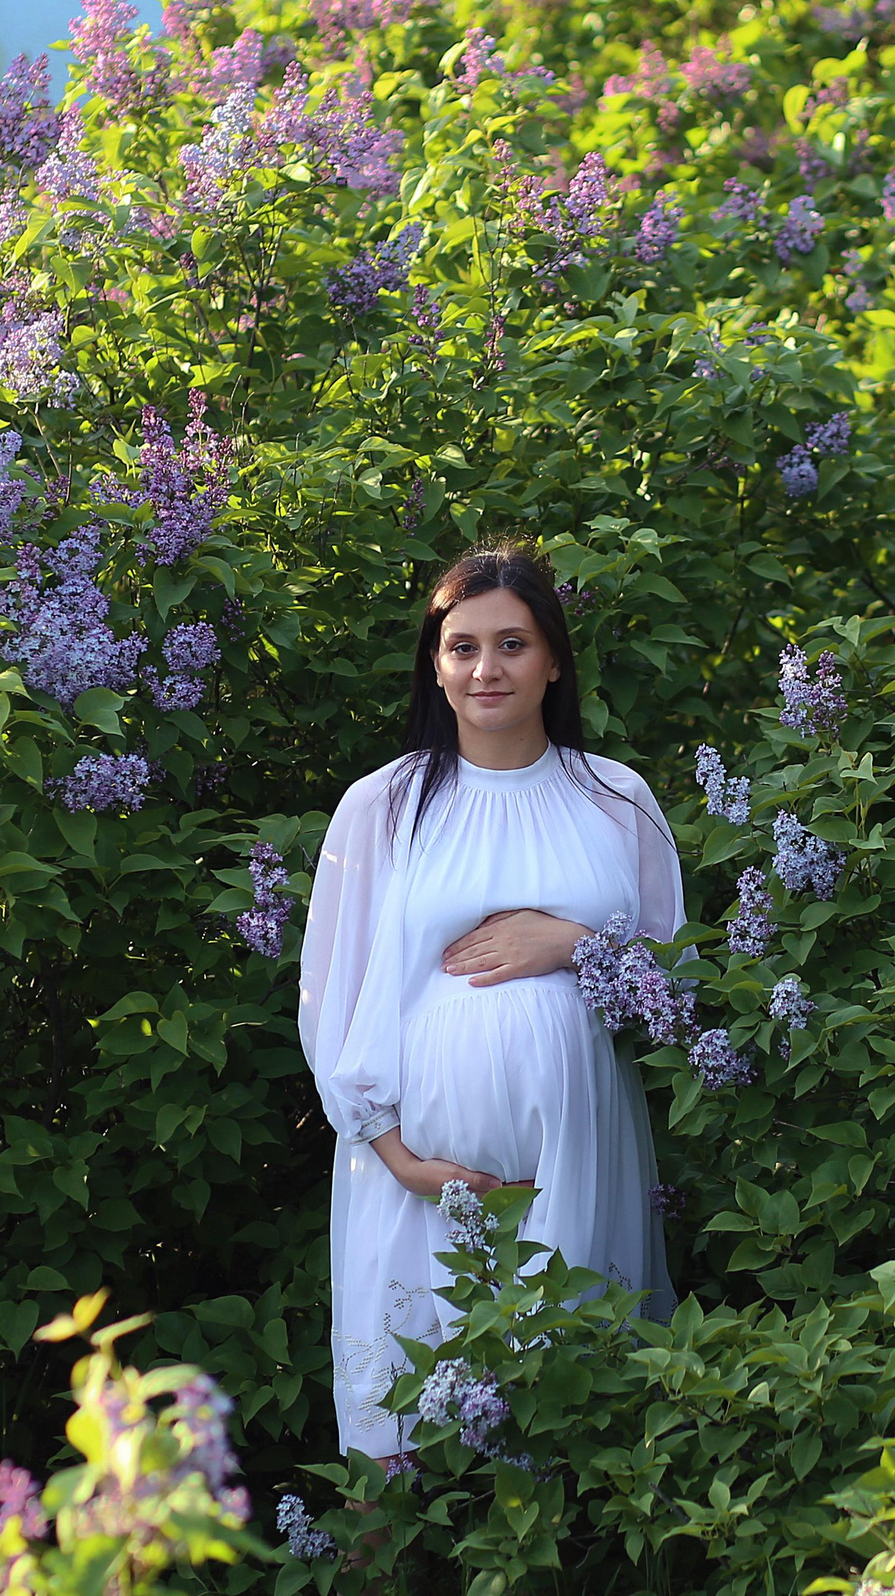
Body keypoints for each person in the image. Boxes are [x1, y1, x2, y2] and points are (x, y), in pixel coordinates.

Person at [297, 539, 681, 1464]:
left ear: (552, 659)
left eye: (512, 643)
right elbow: (331, 998)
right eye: (462, 645)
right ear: (437, 663)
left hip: (578, 1165)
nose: (486, 668)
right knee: (414, 1434)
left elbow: (673, 998)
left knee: (572, 1421)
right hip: (417, 1180)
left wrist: (574, 944)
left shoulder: (615, 799)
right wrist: (397, 1157)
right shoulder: (384, 807)